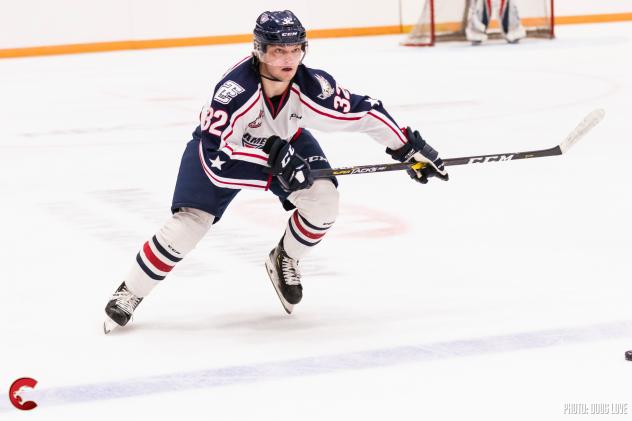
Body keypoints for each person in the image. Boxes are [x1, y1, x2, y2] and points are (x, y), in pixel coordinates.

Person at [103, 10, 448, 333]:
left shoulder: (312, 85)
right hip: (220, 152)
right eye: (279, 50)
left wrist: (408, 148)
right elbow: (217, 160)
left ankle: (286, 257)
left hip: (288, 140)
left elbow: (364, 111)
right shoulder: (234, 93)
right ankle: (131, 290)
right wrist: (274, 167)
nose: (289, 59)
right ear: (260, 51)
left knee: (324, 201)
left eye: (296, 49)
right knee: (188, 227)